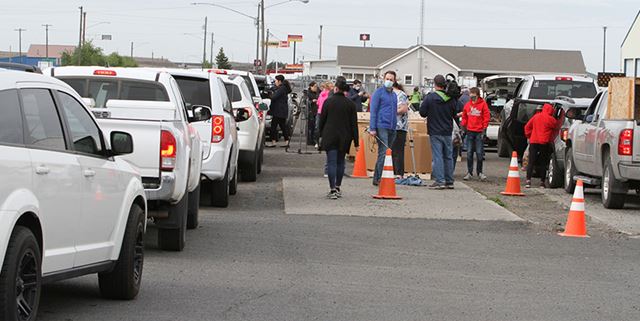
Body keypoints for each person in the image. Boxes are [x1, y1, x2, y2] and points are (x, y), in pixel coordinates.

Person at [319, 77, 359, 199]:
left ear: (336, 88)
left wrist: (319, 137)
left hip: (330, 135)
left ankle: (332, 190)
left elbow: (322, 121)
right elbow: (354, 124)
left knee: (331, 162)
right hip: (345, 137)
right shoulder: (351, 104)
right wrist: (356, 142)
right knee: (341, 162)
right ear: (345, 91)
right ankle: (337, 186)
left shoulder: (328, 102)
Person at [419, 74, 458, 189]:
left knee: (438, 156)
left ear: (435, 85)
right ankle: (449, 181)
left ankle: (440, 180)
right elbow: (454, 112)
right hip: (447, 130)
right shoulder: (450, 98)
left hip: (435, 131)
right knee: (448, 156)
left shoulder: (430, 98)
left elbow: (422, 113)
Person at [369, 71, 398, 186]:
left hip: (392, 127)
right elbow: (373, 111)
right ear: (383, 79)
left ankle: (380, 176)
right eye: (387, 78)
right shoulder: (378, 93)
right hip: (381, 126)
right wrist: (372, 128)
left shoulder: (394, 95)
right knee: (383, 152)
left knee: (387, 152)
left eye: (391, 79)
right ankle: (378, 178)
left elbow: (394, 111)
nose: (389, 81)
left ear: (394, 81)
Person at [524, 103, 561, 188]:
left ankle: (528, 181)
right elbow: (557, 128)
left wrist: (529, 135)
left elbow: (527, 127)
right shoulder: (551, 119)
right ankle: (542, 182)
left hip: (533, 141)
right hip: (544, 143)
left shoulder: (536, 117)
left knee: (531, 162)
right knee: (543, 163)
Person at [460, 87, 490, 181]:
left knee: (479, 153)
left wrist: (484, 129)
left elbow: (486, 117)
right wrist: (463, 128)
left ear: (477, 95)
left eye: (472, 94)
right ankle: (469, 172)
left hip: (479, 132)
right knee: (469, 153)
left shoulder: (483, 105)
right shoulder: (467, 105)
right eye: (470, 94)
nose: (471, 96)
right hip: (469, 131)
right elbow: (464, 117)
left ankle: (480, 172)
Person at [267, 75, 291, 147]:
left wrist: (269, 95)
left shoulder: (281, 89)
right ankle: (286, 142)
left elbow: (274, 97)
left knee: (274, 126)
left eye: (276, 81)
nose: (275, 82)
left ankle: (274, 142)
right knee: (282, 126)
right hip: (281, 111)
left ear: (279, 81)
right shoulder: (282, 88)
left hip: (279, 111)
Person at [391, 82, 409, 178]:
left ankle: (398, 173)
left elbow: (403, 109)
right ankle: (392, 172)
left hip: (400, 126)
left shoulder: (400, 95)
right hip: (390, 126)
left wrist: (390, 111)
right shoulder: (386, 94)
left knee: (397, 151)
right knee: (391, 151)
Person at [306, 82, 319, 146]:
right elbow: (305, 101)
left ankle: (314, 140)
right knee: (310, 127)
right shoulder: (307, 93)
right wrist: (311, 101)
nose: (316, 88)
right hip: (310, 111)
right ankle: (309, 140)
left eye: (316, 86)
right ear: (310, 87)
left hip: (316, 110)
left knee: (315, 127)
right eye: (314, 86)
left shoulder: (318, 92)